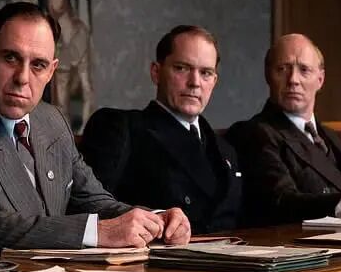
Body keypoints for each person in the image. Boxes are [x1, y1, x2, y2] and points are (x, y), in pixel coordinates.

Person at [0, 2, 191, 259]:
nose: (22, 78)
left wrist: (156, 220)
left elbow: (93, 200)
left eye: (38, 65)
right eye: (10, 58)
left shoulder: (51, 120)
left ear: (51, 71)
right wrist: (98, 233)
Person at [227, 34, 341, 224]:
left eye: (304, 70)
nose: (293, 80)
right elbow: (280, 201)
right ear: (268, 75)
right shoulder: (253, 133)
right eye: (282, 69)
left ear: (320, 79)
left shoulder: (330, 136)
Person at [81, 25, 241, 234]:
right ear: (156, 72)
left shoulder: (226, 149)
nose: (195, 83)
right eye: (182, 68)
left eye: (205, 73)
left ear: (214, 81)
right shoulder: (120, 128)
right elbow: (91, 207)